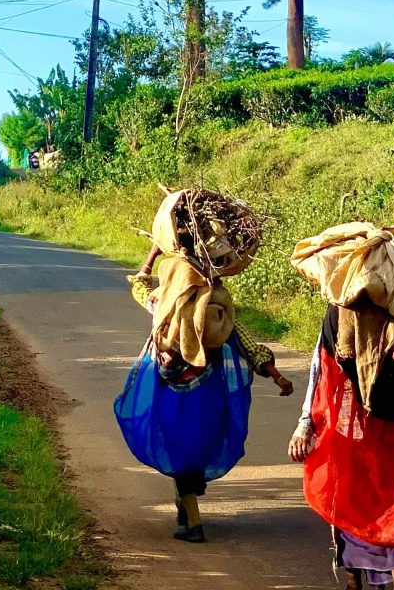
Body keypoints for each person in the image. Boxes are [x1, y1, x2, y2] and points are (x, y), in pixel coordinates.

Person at [286, 222, 394, 587]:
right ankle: (378, 569)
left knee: (374, 499)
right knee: (378, 498)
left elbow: (321, 371)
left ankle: (374, 570)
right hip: (376, 432)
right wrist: (306, 422)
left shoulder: (363, 320)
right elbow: (324, 370)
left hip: (373, 434)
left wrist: (307, 422)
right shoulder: (385, 321)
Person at [113, 189, 292, 543]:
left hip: (169, 387)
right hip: (208, 387)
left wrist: (152, 256)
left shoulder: (165, 300)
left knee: (178, 448)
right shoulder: (216, 300)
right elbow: (241, 338)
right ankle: (189, 500)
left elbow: (139, 286)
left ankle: (192, 521)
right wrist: (273, 372)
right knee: (195, 445)